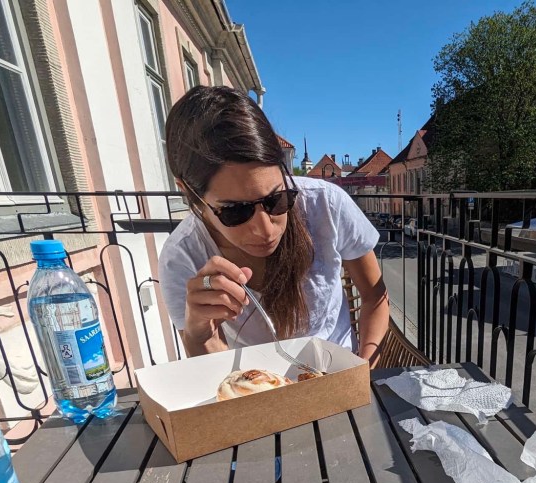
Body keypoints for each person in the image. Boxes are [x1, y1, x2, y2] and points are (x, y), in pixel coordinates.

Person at [158, 86, 389, 363]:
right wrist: (198, 334)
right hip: (257, 383)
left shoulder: (325, 204)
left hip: (340, 374)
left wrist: (364, 371)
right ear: (188, 192)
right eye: (235, 211)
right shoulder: (182, 256)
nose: (266, 230)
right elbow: (213, 366)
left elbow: (375, 297)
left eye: (277, 199)